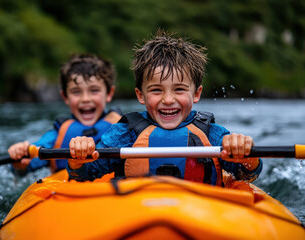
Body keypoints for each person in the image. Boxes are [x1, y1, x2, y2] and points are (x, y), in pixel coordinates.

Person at [66, 30, 262, 186]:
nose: (168, 100)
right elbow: (85, 176)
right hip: (136, 212)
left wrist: (246, 154)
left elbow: (247, 175)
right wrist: (79, 157)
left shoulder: (211, 134)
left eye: (179, 89)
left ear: (196, 94)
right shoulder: (124, 134)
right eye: (156, 90)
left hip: (202, 214)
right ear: (140, 96)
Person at [8, 54, 121, 174]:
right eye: (76, 92)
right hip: (68, 187)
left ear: (109, 93)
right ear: (65, 97)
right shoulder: (56, 136)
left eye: (94, 90)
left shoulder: (124, 127)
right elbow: (26, 165)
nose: (85, 99)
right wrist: (19, 160)